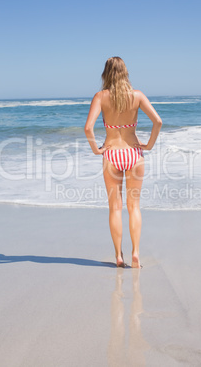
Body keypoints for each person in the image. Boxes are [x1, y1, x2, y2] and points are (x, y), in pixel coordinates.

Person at [84, 57, 162, 268]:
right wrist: (149, 145)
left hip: (111, 155)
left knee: (115, 208)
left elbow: (88, 128)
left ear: (106, 73)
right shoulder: (137, 96)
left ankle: (118, 256)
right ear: (125, 72)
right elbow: (158, 121)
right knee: (134, 206)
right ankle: (135, 252)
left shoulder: (100, 97)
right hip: (134, 154)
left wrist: (96, 150)